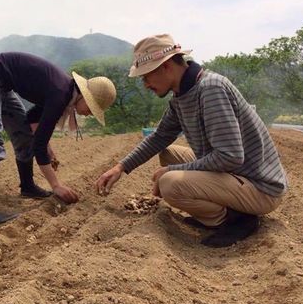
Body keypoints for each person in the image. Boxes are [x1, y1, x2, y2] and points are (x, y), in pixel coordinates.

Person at [96, 34, 288, 248]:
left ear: (167, 66)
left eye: (146, 76)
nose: (145, 84)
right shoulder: (182, 96)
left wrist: (171, 171)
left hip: (259, 187)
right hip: (237, 175)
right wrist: (121, 167)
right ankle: (224, 209)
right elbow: (159, 137)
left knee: (169, 183)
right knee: (167, 153)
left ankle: (236, 219)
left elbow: (230, 156)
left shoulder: (210, 89)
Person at [0, 51, 116, 226]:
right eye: (92, 109)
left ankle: (27, 186)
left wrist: (46, 145)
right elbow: (39, 145)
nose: (89, 114)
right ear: (85, 96)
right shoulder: (61, 93)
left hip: (3, 84)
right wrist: (56, 185)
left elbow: (32, 119)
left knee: (24, 135)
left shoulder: (66, 91)